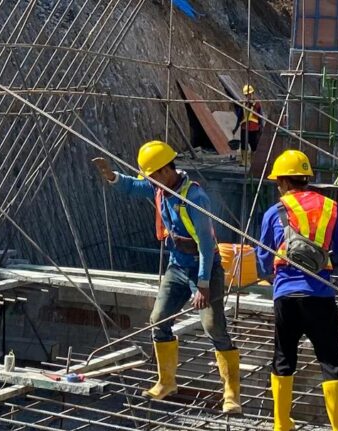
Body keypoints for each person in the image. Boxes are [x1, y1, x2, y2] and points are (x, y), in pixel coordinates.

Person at [92, 141, 241, 414]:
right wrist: (112, 177)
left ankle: (231, 394)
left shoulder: (195, 198)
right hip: (177, 266)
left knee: (213, 327)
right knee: (158, 320)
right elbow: (133, 187)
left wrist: (204, 285)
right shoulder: (159, 187)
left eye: (151, 175)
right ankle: (166, 382)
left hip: (203, 269)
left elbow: (207, 246)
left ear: (163, 171)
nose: (149, 180)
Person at [256, 150, 338, 431]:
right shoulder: (331, 208)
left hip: (286, 297)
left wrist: (270, 275)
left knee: (283, 358)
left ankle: (281, 427)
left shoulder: (274, 212)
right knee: (331, 361)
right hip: (320, 296)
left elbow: (263, 257)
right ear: (306, 178)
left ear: (283, 180)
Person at [232, 84, 263, 169]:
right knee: (243, 145)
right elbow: (240, 117)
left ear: (252, 94)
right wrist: (236, 128)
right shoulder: (243, 104)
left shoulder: (257, 104)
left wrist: (261, 127)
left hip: (254, 128)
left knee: (254, 146)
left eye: (249, 94)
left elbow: (260, 116)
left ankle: (253, 162)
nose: (248, 96)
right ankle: (244, 162)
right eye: (247, 95)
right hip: (244, 128)